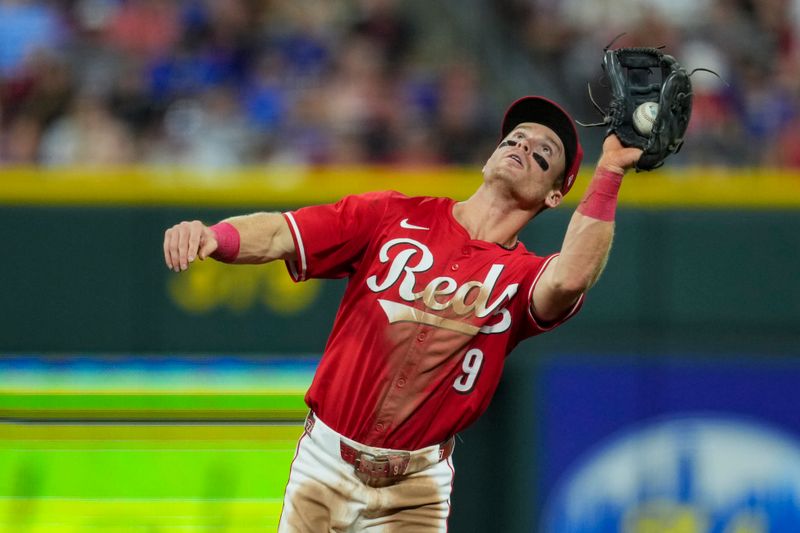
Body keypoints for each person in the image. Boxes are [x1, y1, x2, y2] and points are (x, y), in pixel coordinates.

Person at [162, 95, 642, 532]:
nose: (523, 144)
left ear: (554, 194)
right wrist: (216, 236)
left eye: (544, 150)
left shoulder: (521, 277)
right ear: (489, 157)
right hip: (326, 460)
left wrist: (611, 172)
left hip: (414, 490)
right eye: (515, 137)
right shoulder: (393, 216)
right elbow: (282, 233)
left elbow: (571, 277)